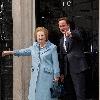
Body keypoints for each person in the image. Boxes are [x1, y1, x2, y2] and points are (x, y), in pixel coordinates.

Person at [2, 27, 60, 100]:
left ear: (46, 36)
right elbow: (22, 52)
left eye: (42, 35)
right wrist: (9, 52)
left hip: (47, 77)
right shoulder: (34, 48)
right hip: (35, 76)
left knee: (47, 96)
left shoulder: (52, 47)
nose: (40, 37)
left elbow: (55, 63)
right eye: (38, 36)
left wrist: (56, 76)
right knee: (35, 96)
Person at [58, 17, 88, 100]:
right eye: (60, 26)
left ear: (68, 25)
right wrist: (62, 73)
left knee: (80, 93)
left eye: (63, 25)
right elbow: (62, 56)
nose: (62, 28)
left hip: (78, 68)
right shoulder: (61, 40)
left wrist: (70, 34)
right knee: (70, 94)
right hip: (67, 71)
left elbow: (79, 37)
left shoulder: (75, 32)